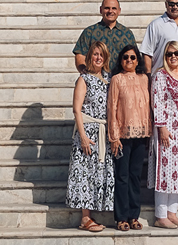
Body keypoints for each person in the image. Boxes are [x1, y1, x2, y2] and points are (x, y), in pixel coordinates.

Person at [65, 41, 114, 232]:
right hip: (88, 132)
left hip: (103, 133)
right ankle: (85, 218)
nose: (98, 58)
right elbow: (77, 110)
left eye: (101, 55)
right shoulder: (83, 79)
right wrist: (83, 137)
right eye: (95, 54)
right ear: (89, 57)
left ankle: (94, 213)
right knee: (85, 173)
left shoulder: (108, 79)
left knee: (97, 173)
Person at [148, 40, 178, 229]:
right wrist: (161, 127)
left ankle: (172, 213)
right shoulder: (160, 76)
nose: (173, 57)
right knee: (165, 170)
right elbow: (157, 101)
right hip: (166, 128)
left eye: (176, 53)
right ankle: (160, 215)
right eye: (169, 54)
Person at [107, 44, 152, 232]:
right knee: (122, 176)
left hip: (141, 135)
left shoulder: (144, 79)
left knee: (135, 176)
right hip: (122, 135)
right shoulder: (116, 79)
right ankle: (121, 217)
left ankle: (134, 215)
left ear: (138, 60)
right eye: (125, 57)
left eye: (133, 58)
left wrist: (150, 133)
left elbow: (149, 106)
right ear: (121, 60)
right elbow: (112, 108)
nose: (129, 61)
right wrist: (114, 137)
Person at [73, 0, 137, 73]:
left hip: (120, 80)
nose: (110, 11)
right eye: (107, 8)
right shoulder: (89, 32)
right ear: (101, 10)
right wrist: (88, 76)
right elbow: (80, 56)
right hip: (97, 79)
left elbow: (135, 58)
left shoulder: (127, 33)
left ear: (119, 11)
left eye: (114, 8)